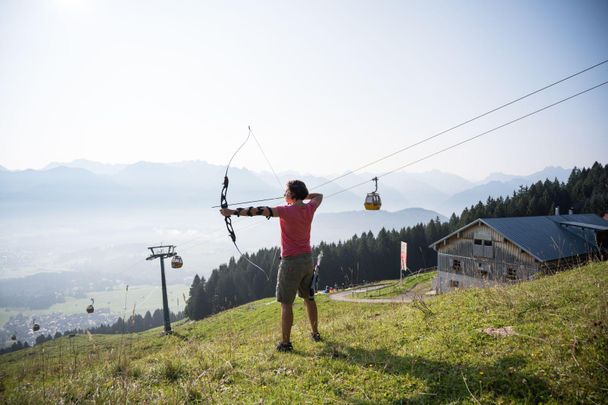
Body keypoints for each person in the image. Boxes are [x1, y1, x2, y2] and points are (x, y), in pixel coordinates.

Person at [220, 180, 323, 352]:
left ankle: (286, 343)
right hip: (307, 260)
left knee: (286, 303)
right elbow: (319, 196)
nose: (284, 194)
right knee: (309, 298)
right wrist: (302, 197)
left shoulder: (285, 210)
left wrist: (231, 212)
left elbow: (257, 211)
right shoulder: (310, 207)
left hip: (291, 263)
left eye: (286, 192)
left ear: (292, 194)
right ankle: (315, 333)